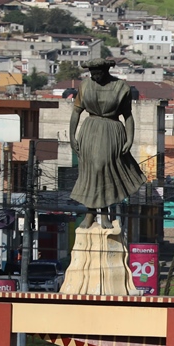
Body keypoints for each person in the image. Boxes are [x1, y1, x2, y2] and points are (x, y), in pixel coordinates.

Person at [68, 58, 146, 230]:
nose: (95, 76)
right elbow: (76, 112)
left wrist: (130, 138)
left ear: (106, 71)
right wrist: (72, 136)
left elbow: (128, 116)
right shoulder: (85, 86)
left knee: (102, 168)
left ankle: (104, 214)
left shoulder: (121, 87)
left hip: (111, 130)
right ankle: (90, 213)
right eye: (92, 73)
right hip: (90, 130)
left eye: (98, 73)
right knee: (90, 170)